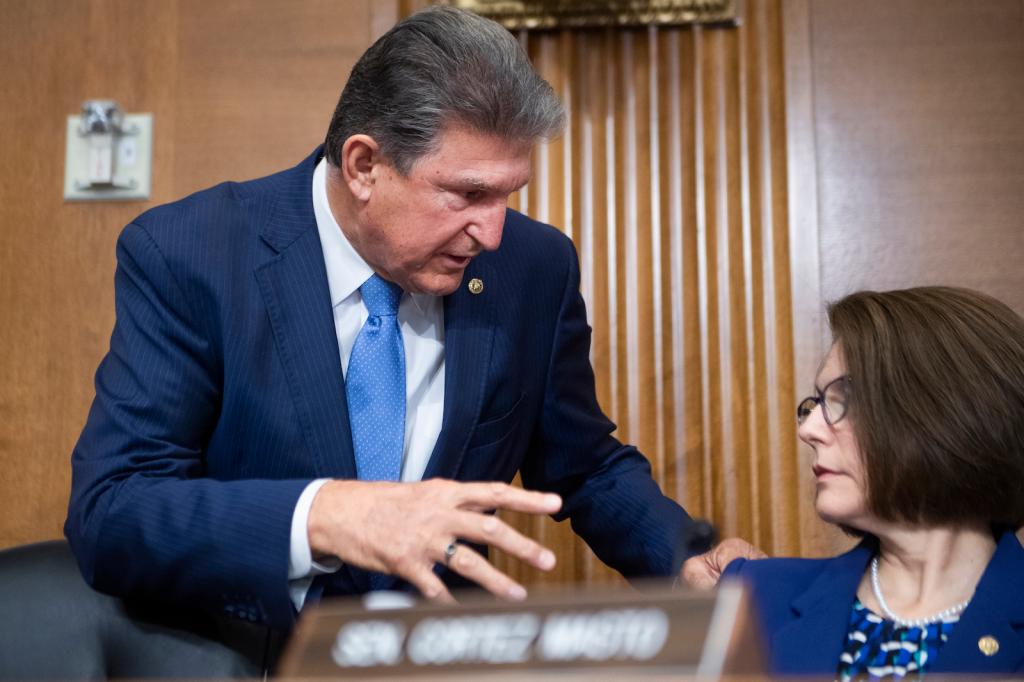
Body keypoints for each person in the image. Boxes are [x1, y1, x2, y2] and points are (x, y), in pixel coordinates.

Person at [65, 6, 754, 634]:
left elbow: (586, 466)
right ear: (365, 164)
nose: (492, 231)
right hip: (251, 655)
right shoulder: (194, 255)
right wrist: (330, 514)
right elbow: (113, 511)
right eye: (468, 194)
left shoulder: (532, 270)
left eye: (508, 195)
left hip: (441, 658)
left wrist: (681, 558)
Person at [723, 286, 1024, 678]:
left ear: (946, 416)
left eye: (843, 397)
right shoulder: (752, 597)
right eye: (815, 404)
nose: (809, 429)